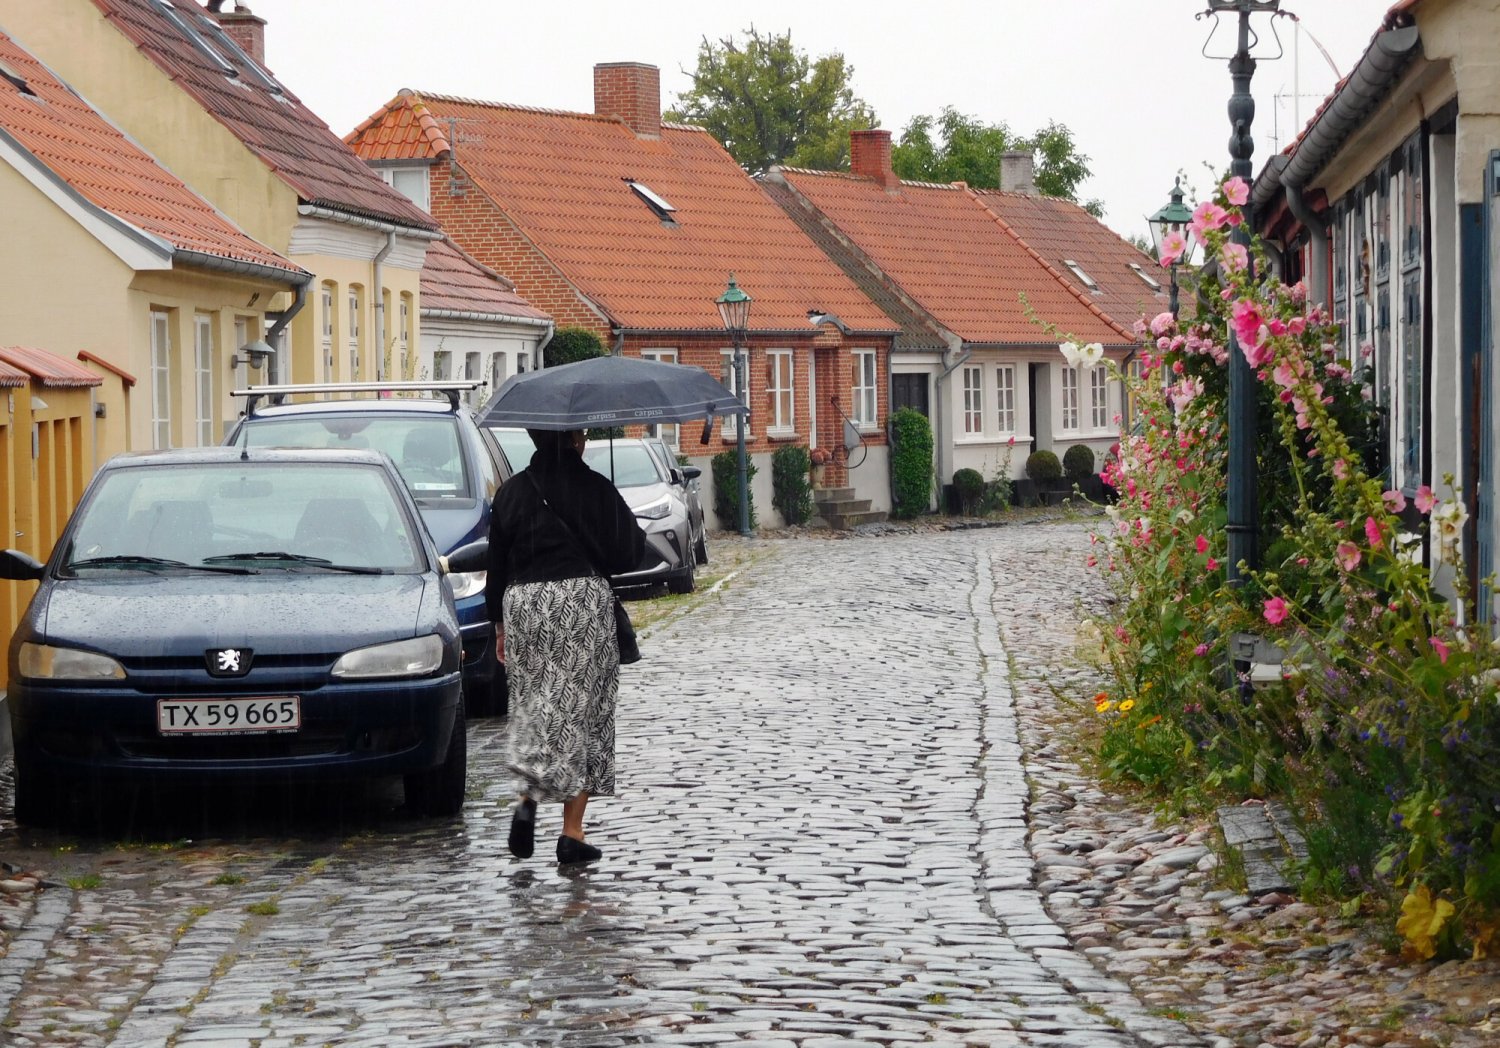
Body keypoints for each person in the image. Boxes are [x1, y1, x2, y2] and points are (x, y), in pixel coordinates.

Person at [486, 429, 645, 865]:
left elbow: (495, 566)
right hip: (580, 602)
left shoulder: (511, 493)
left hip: (524, 605)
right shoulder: (595, 487)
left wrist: (499, 626)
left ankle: (527, 799)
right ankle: (572, 832)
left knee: (534, 708)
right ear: (576, 439)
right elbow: (630, 555)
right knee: (585, 711)